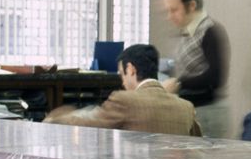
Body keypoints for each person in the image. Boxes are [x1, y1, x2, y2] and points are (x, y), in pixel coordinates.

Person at [46, 44, 201, 135]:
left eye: (122, 74)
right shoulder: (185, 107)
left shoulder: (125, 100)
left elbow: (88, 123)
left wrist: (54, 119)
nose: (123, 82)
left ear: (131, 69)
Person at [162, 0, 230, 137]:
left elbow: (216, 77)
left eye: (174, 10)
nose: (169, 16)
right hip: (193, 109)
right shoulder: (189, 31)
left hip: (207, 113)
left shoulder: (209, 31)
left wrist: (179, 83)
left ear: (191, 6)